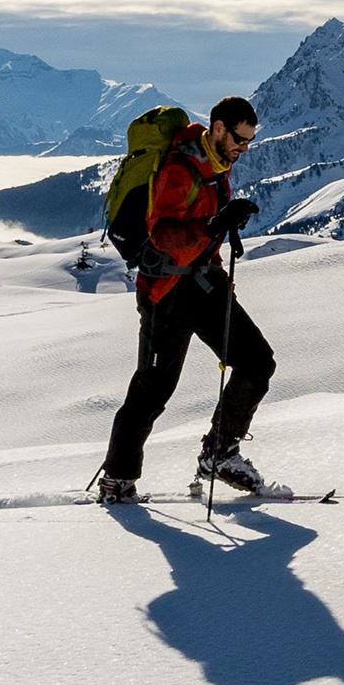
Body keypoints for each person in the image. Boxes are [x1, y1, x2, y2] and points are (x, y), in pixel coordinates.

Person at [97, 95, 274, 502]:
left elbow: (204, 232)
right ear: (217, 128)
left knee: (256, 361)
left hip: (201, 281)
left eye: (248, 141)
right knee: (154, 388)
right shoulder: (180, 168)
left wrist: (219, 239)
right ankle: (117, 480)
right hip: (165, 290)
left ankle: (220, 453)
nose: (242, 149)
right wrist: (213, 226)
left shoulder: (217, 167)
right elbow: (163, 235)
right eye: (239, 140)